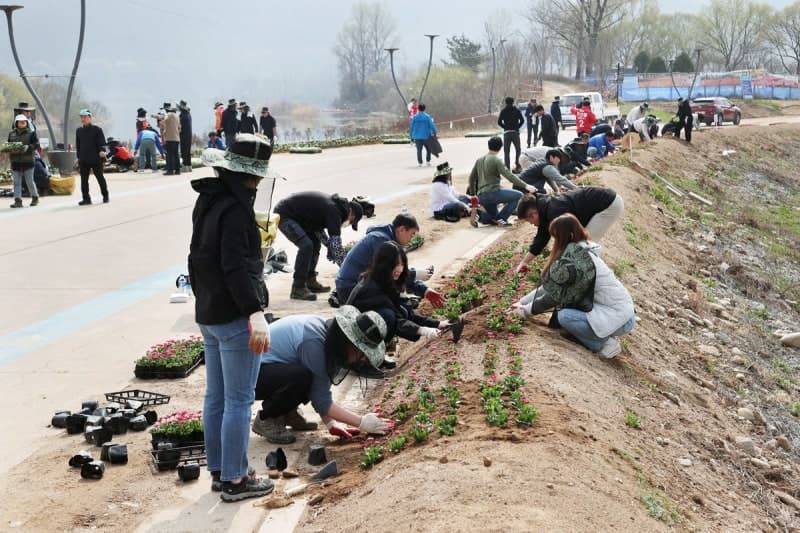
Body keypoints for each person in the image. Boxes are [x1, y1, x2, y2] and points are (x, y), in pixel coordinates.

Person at [188, 133, 274, 502]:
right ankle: (237, 481)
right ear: (247, 176)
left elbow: (196, 258)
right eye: (255, 178)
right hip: (235, 318)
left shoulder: (208, 200)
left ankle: (220, 470)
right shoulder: (237, 212)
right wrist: (255, 311)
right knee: (239, 400)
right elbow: (235, 268)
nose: (256, 185)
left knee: (217, 397)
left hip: (208, 312)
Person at [252, 306, 393, 444]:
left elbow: (319, 387)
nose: (362, 359)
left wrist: (331, 423)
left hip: (270, 369)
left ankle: (286, 413)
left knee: (307, 377)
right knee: (301, 377)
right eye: (362, 352)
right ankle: (267, 419)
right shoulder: (314, 342)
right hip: (252, 376)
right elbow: (322, 401)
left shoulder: (329, 336)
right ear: (350, 342)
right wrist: (361, 422)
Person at [512, 214, 635, 359]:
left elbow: (554, 296)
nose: (555, 242)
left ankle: (605, 343)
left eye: (556, 238)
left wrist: (525, 311)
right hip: (618, 312)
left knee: (566, 317)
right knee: (567, 319)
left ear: (566, 236)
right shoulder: (581, 250)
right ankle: (600, 336)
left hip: (620, 319)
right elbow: (550, 286)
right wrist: (522, 303)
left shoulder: (577, 262)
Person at [347, 242, 451, 347]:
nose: (400, 269)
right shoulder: (370, 288)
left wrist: (437, 324)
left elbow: (402, 312)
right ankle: (376, 348)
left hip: (365, 332)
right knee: (388, 315)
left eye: (402, 264)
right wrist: (423, 330)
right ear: (384, 265)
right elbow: (396, 321)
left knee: (403, 309)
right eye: (396, 264)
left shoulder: (385, 281)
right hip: (351, 339)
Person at [335, 214, 445, 307]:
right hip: (350, 288)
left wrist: (425, 290)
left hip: (359, 285)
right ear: (402, 230)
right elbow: (388, 273)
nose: (411, 239)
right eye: (411, 234)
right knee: (393, 308)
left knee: (400, 302)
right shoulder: (380, 240)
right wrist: (415, 274)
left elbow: (397, 274)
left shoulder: (387, 239)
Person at [273, 192, 363, 301]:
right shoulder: (335, 211)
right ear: (351, 214)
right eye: (351, 222)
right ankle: (298, 287)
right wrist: (348, 270)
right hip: (285, 215)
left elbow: (319, 231)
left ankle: (310, 281)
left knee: (315, 243)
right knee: (306, 245)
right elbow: (336, 246)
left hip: (299, 217)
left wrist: (329, 247)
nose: (348, 224)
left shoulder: (336, 208)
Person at [514, 187, 624, 271]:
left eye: (529, 221)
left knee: (584, 247)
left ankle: (595, 273)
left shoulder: (554, 212)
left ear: (533, 214)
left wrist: (553, 266)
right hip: (601, 202)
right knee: (578, 248)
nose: (531, 224)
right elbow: (541, 239)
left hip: (608, 205)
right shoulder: (544, 209)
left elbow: (564, 242)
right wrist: (524, 262)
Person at [467, 136, 537, 227]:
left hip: (481, 195)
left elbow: (471, 178)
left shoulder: (479, 160)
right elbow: (509, 176)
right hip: (493, 193)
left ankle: (481, 216)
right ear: (501, 147)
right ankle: (502, 218)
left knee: (491, 219)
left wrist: (473, 194)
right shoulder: (496, 160)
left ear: (489, 146)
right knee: (518, 195)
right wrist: (526, 186)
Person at [75, 108, 109, 205]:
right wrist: (78, 158)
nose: (83, 119)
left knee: (100, 178)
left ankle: (105, 195)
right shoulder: (79, 131)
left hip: (95, 159)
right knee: (84, 180)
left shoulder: (97, 130)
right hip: (84, 159)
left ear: (90, 118)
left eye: (85, 117)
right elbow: (78, 145)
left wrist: (102, 151)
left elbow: (102, 143)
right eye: (81, 117)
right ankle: (86, 199)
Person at [7, 114, 39, 208]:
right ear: (16, 123)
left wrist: (29, 147)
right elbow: (8, 145)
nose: (22, 123)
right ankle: (18, 201)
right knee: (16, 182)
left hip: (28, 161)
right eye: (20, 122)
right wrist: (7, 148)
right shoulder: (11, 134)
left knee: (29, 181)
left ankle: (35, 197)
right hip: (15, 161)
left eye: (24, 122)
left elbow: (36, 144)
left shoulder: (32, 133)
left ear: (27, 123)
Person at [498, 96, 525, 172]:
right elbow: (522, 120)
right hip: (515, 132)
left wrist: (505, 127)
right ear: (513, 102)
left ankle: (507, 167)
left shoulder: (503, 111)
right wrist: (517, 127)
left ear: (505, 102)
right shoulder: (517, 110)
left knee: (506, 151)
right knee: (518, 150)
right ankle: (517, 165)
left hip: (507, 133)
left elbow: (499, 122)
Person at [409, 103, 437, 167]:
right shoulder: (427, 117)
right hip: (426, 136)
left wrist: (411, 135)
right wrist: (435, 132)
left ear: (418, 109)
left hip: (417, 137)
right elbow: (432, 125)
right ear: (425, 109)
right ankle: (428, 161)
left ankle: (420, 163)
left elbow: (411, 127)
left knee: (419, 150)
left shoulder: (415, 117)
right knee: (428, 149)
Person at [163, 103, 181, 175]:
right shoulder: (177, 117)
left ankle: (170, 171)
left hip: (170, 139)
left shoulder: (169, 115)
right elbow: (179, 128)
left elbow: (163, 121)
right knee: (176, 155)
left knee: (169, 155)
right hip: (176, 138)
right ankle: (177, 170)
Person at [179, 100, 193, 173]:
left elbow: (179, 126)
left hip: (183, 135)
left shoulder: (183, 115)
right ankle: (189, 166)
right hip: (189, 134)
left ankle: (185, 166)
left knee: (184, 151)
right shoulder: (188, 114)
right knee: (188, 151)